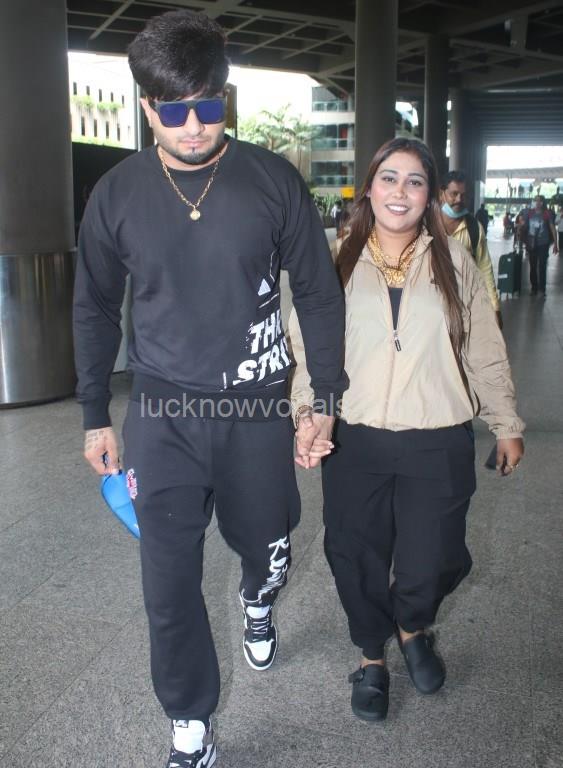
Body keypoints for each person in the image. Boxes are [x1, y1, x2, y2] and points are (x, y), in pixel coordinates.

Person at [73, 10, 346, 768]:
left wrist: (324, 400)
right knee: (166, 578)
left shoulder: (271, 180)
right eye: (173, 111)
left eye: (207, 104)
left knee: (267, 543)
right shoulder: (117, 194)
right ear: (146, 106)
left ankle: (258, 597)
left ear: (225, 96)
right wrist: (95, 413)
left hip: (256, 406)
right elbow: (93, 306)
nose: (193, 125)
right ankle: (189, 721)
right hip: (162, 410)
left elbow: (318, 294)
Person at [289, 137, 525, 723]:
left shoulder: (455, 261)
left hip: (437, 434)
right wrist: (308, 415)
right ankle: (371, 655)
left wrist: (506, 422)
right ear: (369, 188)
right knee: (355, 552)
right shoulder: (334, 261)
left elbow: (484, 348)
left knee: (435, 556)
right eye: (389, 178)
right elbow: (308, 349)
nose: (401, 191)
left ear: (430, 194)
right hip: (356, 435)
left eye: (415, 181)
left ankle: (412, 626)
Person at [440, 171, 502, 328]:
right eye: (454, 194)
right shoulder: (427, 225)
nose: (459, 200)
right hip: (431, 308)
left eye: (464, 195)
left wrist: (495, 308)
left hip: (464, 307)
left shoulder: (474, 228)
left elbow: (484, 269)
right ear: (442, 194)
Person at [525, 195, 559, 296]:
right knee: (532, 266)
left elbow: (552, 228)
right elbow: (525, 226)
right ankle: (534, 288)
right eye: (536, 201)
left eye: (539, 201)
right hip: (532, 243)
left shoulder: (547, 213)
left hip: (543, 244)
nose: (537, 203)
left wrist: (556, 244)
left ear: (543, 202)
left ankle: (542, 289)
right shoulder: (530, 213)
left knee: (542, 266)